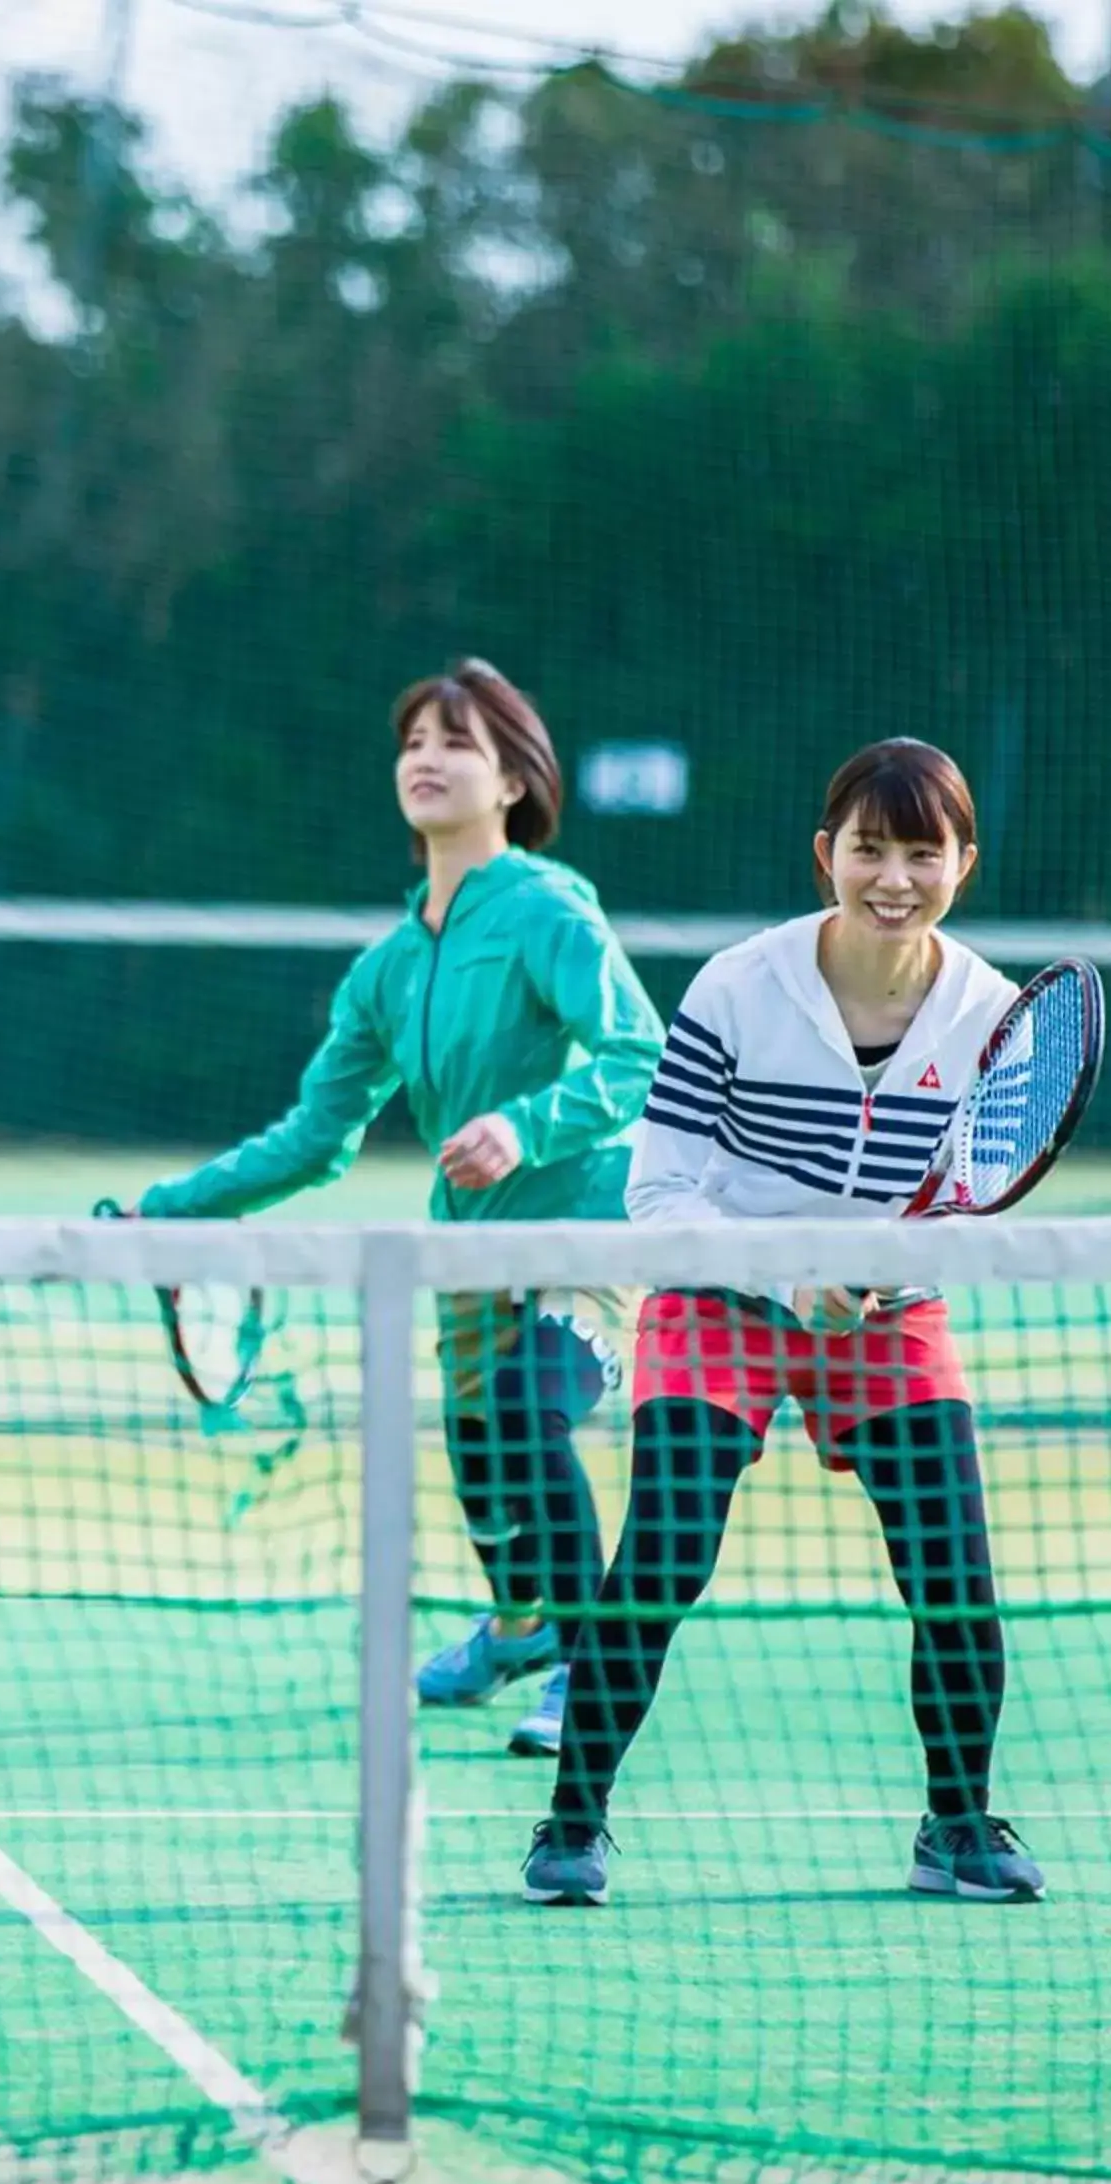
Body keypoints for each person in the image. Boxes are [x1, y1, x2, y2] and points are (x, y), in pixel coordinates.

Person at [521, 737, 1046, 1908]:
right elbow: (658, 1194)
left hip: (889, 1314)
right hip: (721, 1297)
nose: (894, 877)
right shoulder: (736, 987)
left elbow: (975, 1205)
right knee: (661, 1557)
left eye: (924, 852)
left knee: (955, 1577)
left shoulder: (993, 1018)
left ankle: (957, 1822)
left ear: (966, 861)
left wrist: (889, 1269)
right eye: (871, 848)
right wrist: (786, 1276)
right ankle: (573, 1818)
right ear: (827, 855)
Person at [133, 659, 663, 1755]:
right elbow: (315, 1140)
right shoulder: (384, 970)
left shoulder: (549, 911)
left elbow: (641, 1055)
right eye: (414, 740)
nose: (425, 758)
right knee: (481, 1456)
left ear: (514, 780)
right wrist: (170, 1207)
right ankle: (519, 1628)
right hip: (463, 1245)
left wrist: (527, 1124)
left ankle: (589, 1664)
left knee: (528, 1415)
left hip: (587, 1222)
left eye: (456, 742)